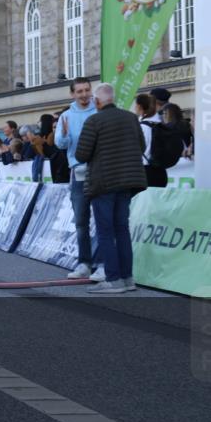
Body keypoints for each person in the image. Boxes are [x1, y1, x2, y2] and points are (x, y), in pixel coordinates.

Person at [75, 83, 147, 293]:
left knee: (106, 232)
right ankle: (127, 278)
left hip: (103, 182)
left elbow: (81, 154)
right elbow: (141, 147)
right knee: (122, 230)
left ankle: (113, 279)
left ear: (97, 101)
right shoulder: (131, 118)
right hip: (127, 182)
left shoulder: (94, 120)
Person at [55, 77, 104, 282]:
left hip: (100, 172)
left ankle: (102, 264)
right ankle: (84, 263)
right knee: (81, 222)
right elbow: (60, 144)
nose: (84, 95)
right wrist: (65, 135)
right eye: (79, 91)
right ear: (72, 94)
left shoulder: (99, 111)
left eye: (87, 90)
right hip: (78, 173)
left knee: (103, 220)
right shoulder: (66, 116)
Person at [134, 93, 167, 188]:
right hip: (161, 171)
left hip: (146, 172)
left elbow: (138, 150)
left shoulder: (142, 127)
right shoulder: (160, 124)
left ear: (139, 106)